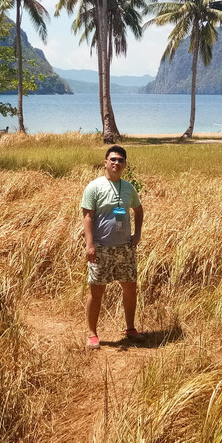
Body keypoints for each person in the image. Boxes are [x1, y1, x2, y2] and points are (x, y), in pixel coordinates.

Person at [81, 144, 143, 350]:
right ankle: (92, 334)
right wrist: (90, 245)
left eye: (121, 160)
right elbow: (87, 216)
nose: (117, 163)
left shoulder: (128, 188)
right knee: (97, 291)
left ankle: (130, 328)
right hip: (101, 248)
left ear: (125, 164)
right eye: (113, 159)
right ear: (105, 162)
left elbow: (138, 209)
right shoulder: (94, 187)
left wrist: (137, 234)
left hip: (124, 248)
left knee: (130, 288)